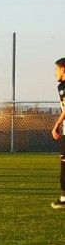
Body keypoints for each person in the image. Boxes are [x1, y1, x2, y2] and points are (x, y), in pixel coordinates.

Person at [51, 58, 65, 209]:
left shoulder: (63, 87)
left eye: (57, 69)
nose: (55, 73)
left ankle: (64, 199)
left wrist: (56, 125)